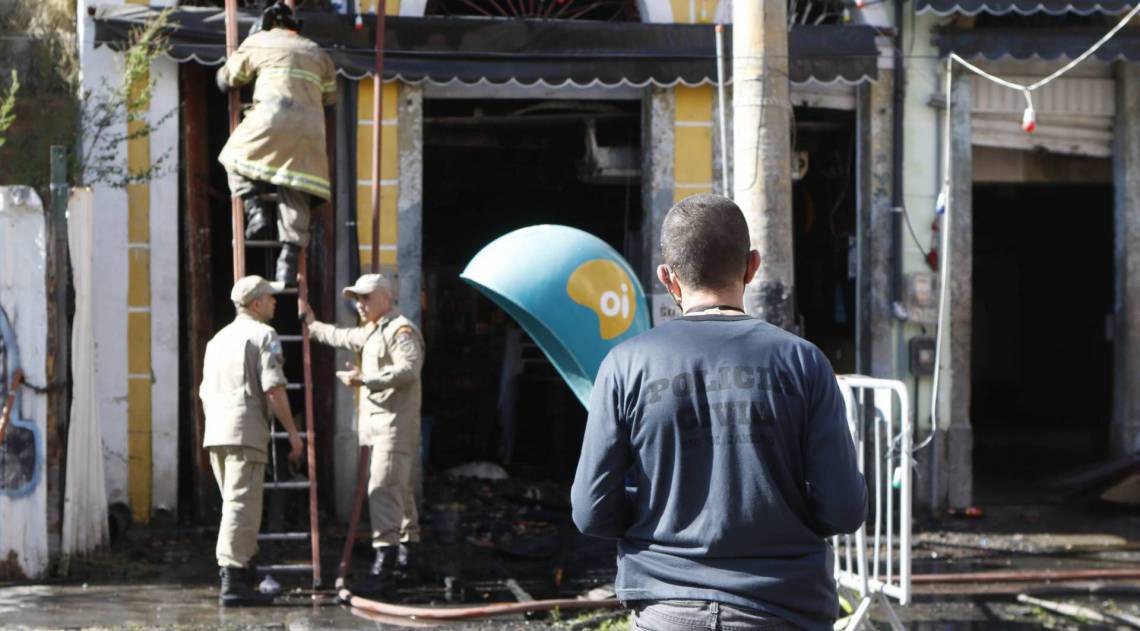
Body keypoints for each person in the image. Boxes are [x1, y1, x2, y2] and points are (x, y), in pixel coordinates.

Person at [570, 194, 867, 631]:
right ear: (752, 266)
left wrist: (656, 509)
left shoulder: (624, 365)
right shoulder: (804, 362)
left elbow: (591, 510)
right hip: (783, 608)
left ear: (668, 278)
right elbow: (843, 510)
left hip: (666, 607)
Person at [299, 273, 425, 596]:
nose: (360, 304)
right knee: (400, 490)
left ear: (385, 298)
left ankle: (385, 568)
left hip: (393, 426)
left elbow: (408, 370)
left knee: (383, 488)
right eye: (357, 299)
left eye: (365, 298)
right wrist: (313, 326)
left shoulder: (401, 330)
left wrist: (366, 379)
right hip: (378, 427)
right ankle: (407, 559)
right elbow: (342, 336)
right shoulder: (372, 331)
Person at [201, 275, 305, 607]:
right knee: (241, 508)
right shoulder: (264, 335)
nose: (276, 302)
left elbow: (204, 391)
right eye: (271, 298)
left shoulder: (217, 340)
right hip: (245, 431)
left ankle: (243, 573)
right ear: (256, 303)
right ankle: (233, 581)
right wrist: (293, 434)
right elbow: (273, 388)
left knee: (234, 506)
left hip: (217, 431)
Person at [217, 0, 337, 285]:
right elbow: (330, 99)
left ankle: (255, 210)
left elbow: (226, 80)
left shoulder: (259, 42)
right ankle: (289, 258)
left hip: (272, 119)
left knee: (232, 157)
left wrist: (246, 50)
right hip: (311, 130)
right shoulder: (318, 52)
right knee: (297, 184)